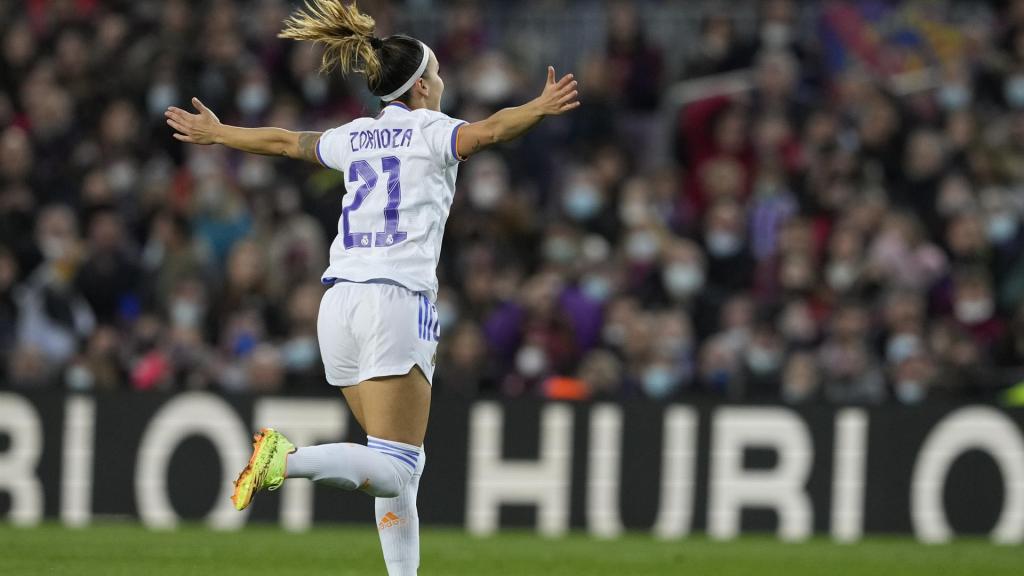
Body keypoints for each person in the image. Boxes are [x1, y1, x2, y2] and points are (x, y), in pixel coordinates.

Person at [164, 1, 579, 574]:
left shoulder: (355, 137)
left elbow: (286, 142)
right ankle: (287, 458)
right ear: (420, 89)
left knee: (394, 465)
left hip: (337, 305)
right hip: (394, 300)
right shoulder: (432, 130)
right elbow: (486, 133)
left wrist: (219, 133)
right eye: (435, 73)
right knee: (401, 466)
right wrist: (538, 106)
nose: (442, 80)